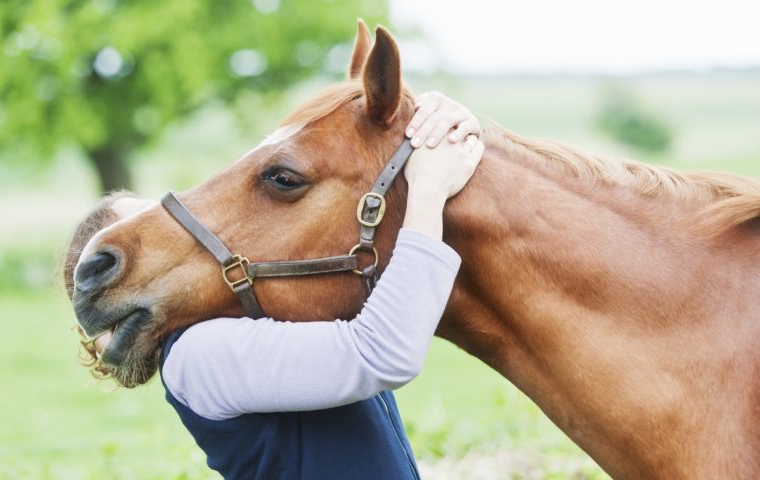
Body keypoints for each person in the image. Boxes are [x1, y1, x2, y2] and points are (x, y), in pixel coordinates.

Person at [64, 92, 483, 479]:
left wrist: (429, 124)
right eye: (140, 229)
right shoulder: (196, 357)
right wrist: (429, 188)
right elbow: (379, 354)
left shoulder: (254, 319)